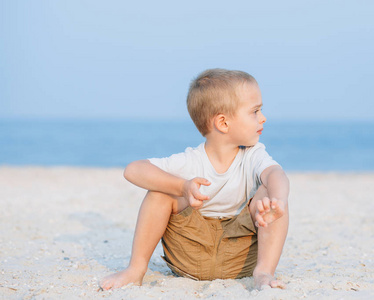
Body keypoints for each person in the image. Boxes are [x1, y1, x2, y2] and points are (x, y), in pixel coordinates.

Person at [100, 68, 289, 290]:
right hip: (189, 255)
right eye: (255, 111)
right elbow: (133, 170)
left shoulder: (254, 154)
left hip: (240, 258)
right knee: (160, 191)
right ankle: (136, 269)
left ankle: (263, 273)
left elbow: (276, 173)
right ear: (223, 123)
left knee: (269, 194)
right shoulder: (190, 161)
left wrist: (279, 201)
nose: (263, 117)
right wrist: (182, 186)